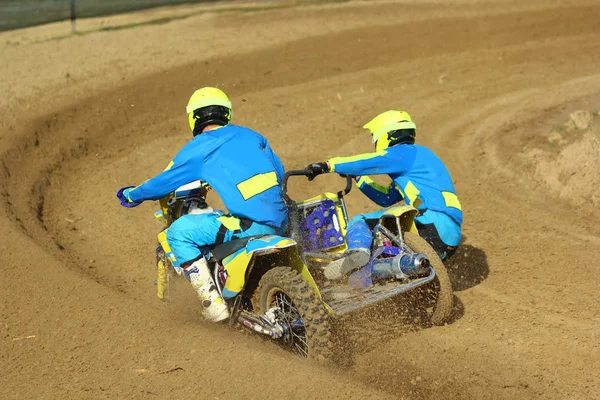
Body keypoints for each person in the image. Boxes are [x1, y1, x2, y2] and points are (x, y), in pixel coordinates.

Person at [117, 87, 287, 321]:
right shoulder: (252, 136)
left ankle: (213, 306)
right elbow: (279, 172)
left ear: (194, 118)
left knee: (178, 234)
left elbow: (161, 182)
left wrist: (131, 195)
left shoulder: (199, 148)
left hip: (249, 226)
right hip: (281, 220)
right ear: (226, 112)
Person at [303, 110, 462, 280]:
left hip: (430, 224)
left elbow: (364, 162)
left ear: (386, 134)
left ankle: (357, 254)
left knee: (360, 221)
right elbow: (386, 198)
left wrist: (327, 165)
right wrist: (359, 178)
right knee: (387, 226)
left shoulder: (403, 153)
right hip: (449, 234)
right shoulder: (421, 158)